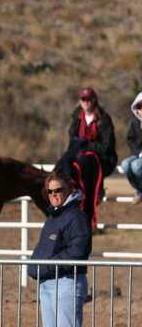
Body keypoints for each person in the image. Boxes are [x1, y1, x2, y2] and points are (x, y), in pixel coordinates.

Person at [27, 172, 91, 327]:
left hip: (66, 282)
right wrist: (37, 268)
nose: (54, 195)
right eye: (50, 191)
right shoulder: (54, 217)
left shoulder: (76, 217)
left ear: (68, 191)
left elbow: (78, 251)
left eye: (58, 190)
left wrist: (44, 267)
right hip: (48, 283)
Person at [55, 87, 117, 229]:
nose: (87, 102)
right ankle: (70, 191)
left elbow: (107, 146)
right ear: (80, 101)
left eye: (89, 99)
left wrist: (88, 147)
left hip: (101, 157)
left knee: (85, 160)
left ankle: (90, 196)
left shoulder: (104, 118)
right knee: (64, 161)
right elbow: (73, 140)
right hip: (79, 153)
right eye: (83, 99)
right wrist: (80, 148)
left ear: (94, 100)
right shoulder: (77, 117)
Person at [121, 91, 142, 205]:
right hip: (138, 155)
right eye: (139, 107)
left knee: (136, 166)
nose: (141, 109)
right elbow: (130, 139)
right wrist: (139, 152)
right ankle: (140, 189)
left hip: (139, 160)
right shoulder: (135, 123)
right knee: (125, 164)